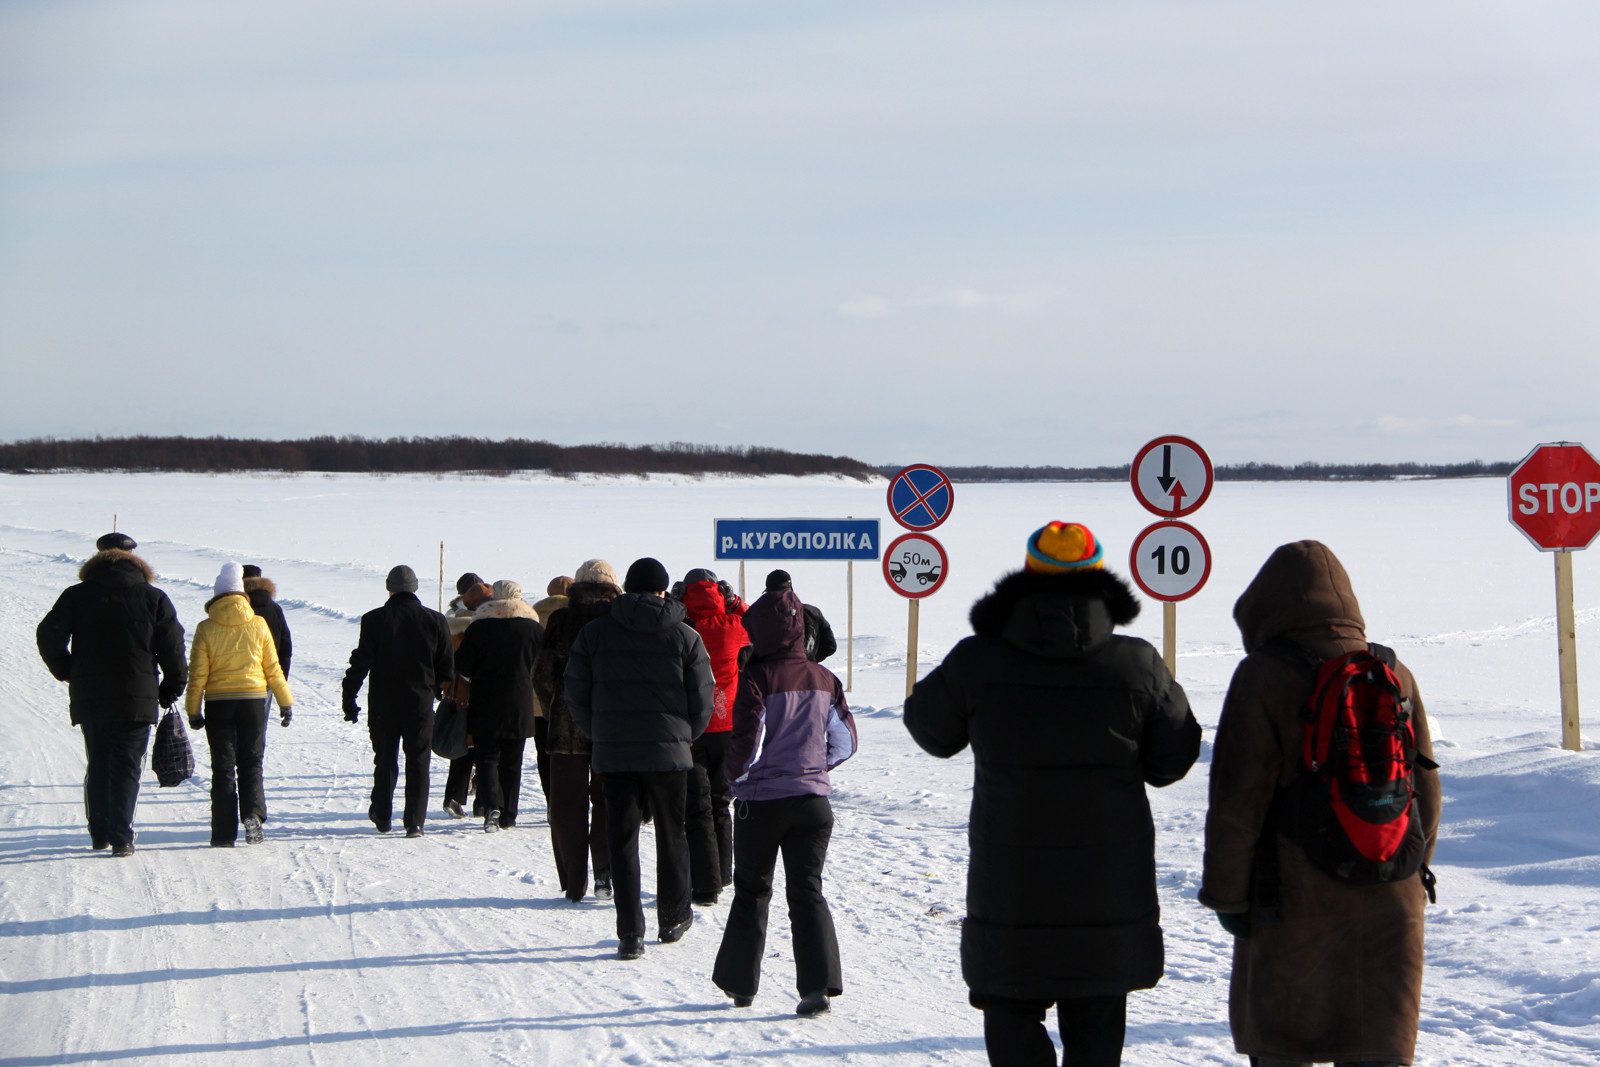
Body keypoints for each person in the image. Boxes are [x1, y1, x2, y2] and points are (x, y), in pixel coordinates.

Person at [904, 522, 1201, 1067]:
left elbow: (932, 732)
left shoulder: (978, 659)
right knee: (1096, 1031)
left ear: (1027, 573)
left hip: (1011, 889)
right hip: (1108, 894)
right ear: (1098, 578)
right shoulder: (1136, 664)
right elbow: (1172, 760)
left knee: (1011, 1021)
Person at [1199, 541, 1441, 1067]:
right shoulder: (1393, 670)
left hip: (1292, 902)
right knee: (1377, 1044)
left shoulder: (1264, 674)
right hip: (1390, 897)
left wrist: (1229, 897)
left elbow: (1238, 803)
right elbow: (1426, 790)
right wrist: (1407, 866)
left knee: (1286, 1044)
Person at [712, 588, 857, 1017]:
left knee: (752, 891)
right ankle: (818, 989)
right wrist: (816, 767)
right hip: (813, 804)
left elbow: (750, 743)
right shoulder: (825, 678)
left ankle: (742, 987)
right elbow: (846, 741)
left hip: (763, 804)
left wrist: (733, 777)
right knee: (807, 891)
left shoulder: (756, 678)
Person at [564, 556, 715, 960]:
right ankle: (672, 917)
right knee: (673, 834)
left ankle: (630, 933)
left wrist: (599, 733)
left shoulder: (595, 633)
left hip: (614, 753)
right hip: (669, 753)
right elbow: (703, 700)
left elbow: (575, 692)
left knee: (621, 840)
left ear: (627, 589)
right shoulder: (686, 637)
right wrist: (684, 736)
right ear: (664, 589)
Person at [36, 532, 187, 857]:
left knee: (99, 762)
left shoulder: (76, 596)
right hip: (137, 697)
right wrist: (171, 687)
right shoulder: (154, 597)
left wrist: (68, 669)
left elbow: (48, 634)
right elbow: (173, 647)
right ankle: (122, 838)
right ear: (136, 560)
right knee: (128, 766)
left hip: (91, 696)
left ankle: (99, 832)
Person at [186, 561, 294, 847]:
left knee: (222, 768)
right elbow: (273, 668)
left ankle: (223, 833)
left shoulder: (205, 627)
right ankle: (253, 815)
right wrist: (285, 702)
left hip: (219, 704)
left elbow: (197, 674)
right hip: (253, 702)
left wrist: (193, 710)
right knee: (251, 762)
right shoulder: (258, 624)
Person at [343, 564, 454, 838]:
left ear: (389, 588)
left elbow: (361, 662)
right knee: (418, 761)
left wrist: (349, 695)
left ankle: (382, 815)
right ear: (416, 588)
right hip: (419, 704)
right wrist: (438, 690)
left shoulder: (373, 619)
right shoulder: (436, 620)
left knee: (385, 759)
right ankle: (414, 822)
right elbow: (447, 667)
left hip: (383, 703)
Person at [534, 560, 621, 902]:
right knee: (607, 800)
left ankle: (573, 881)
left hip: (566, 727)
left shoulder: (561, 619)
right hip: (611, 728)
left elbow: (541, 674)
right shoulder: (620, 618)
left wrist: (556, 704)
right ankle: (605, 872)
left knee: (566, 804)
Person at [679, 567, 751, 903]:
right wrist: (735, 603)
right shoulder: (734, 626)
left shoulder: (680, 628)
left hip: (690, 724)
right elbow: (759, 624)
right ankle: (723, 874)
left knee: (697, 806)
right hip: (727, 723)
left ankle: (704, 884)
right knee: (722, 802)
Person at [454, 580, 545, 831]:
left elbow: (463, 666)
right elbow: (543, 666)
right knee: (512, 761)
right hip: (520, 701)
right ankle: (509, 815)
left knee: (486, 757)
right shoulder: (533, 629)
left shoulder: (479, 627)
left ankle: (491, 806)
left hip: (485, 699)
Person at [442, 573, 492, 818]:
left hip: (457, 693)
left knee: (463, 746)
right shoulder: (484, 622)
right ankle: (482, 802)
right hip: (482, 692)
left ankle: (453, 795)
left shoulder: (450, 619)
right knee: (485, 747)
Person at [528, 575, 573, 800]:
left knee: (544, 753)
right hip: (571, 697)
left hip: (539, 699)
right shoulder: (578, 616)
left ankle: (551, 800)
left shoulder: (535, 616)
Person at [764, 570, 836, 663]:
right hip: (807, 673)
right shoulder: (812, 612)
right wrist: (810, 661)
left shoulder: (763, 616)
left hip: (776, 674)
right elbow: (830, 646)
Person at [241, 564, 292, 677]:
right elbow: (285, 645)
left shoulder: (239, 608)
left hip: (242, 677)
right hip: (271, 675)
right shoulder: (275, 609)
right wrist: (281, 678)